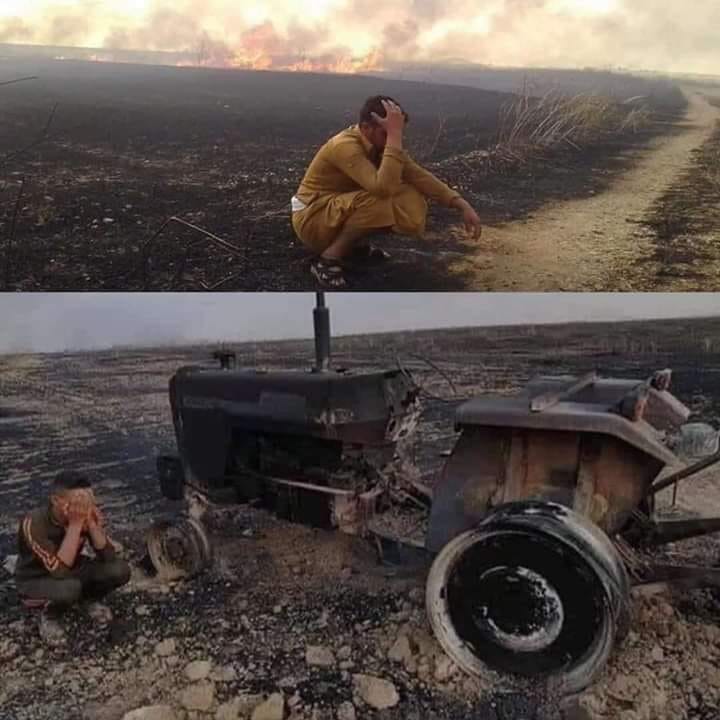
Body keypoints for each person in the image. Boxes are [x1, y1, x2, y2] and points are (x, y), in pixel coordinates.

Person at [291, 95, 483, 287]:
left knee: (409, 197)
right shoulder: (344, 146)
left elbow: (417, 175)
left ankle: (354, 247)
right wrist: (394, 138)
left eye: (397, 133)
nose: (394, 139)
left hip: (334, 212)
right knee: (380, 200)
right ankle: (327, 259)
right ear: (366, 127)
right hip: (312, 218)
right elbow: (383, 188)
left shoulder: (379, 145)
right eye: (388, 133)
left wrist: (460, 204)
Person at [15, 470, 130, 612]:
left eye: (86, 500)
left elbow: (108, 557)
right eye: (76, 501)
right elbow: (59, 571)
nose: (81, 506)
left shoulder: (82, 513)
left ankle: (87, 600)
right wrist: (75, 525)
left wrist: (93, 526)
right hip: (37, 577)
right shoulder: (34, 523)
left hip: (71, 570)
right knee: (69, 589)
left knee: (119, 570)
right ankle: (49, 614)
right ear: (55, 500)